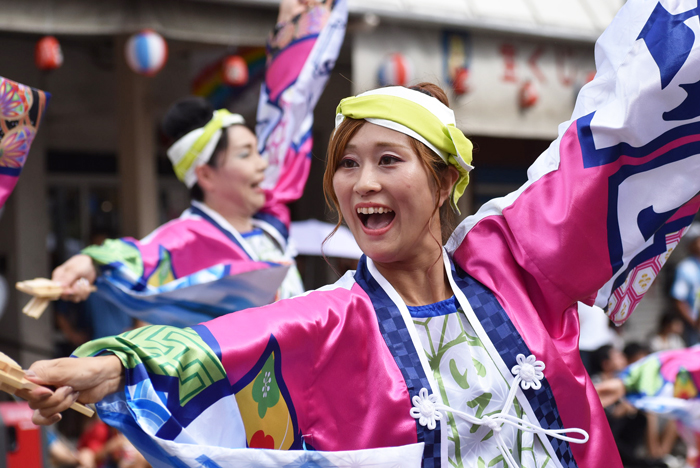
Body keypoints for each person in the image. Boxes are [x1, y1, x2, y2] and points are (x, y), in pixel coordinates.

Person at [17, 1, 700, 466]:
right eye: (346, 163)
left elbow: (614, 138)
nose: (360, 183)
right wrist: (109, 368)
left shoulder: (511, 259)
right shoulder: (333, 318)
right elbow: (228, 346)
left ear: (443, 184)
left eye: (386, 161)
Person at [49, 0, 347, 328]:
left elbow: (286, 115)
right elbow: (143, 255)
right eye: (246, 154)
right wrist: (90, 262)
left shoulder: (268, 218)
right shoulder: (189, 236)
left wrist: (294, 32)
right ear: (205, 174)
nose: (263, 163)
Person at [671, 223, 700, 346]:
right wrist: (694, 324)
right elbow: (679, 300)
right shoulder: (685, 268)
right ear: (691, 244)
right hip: (696, 328)